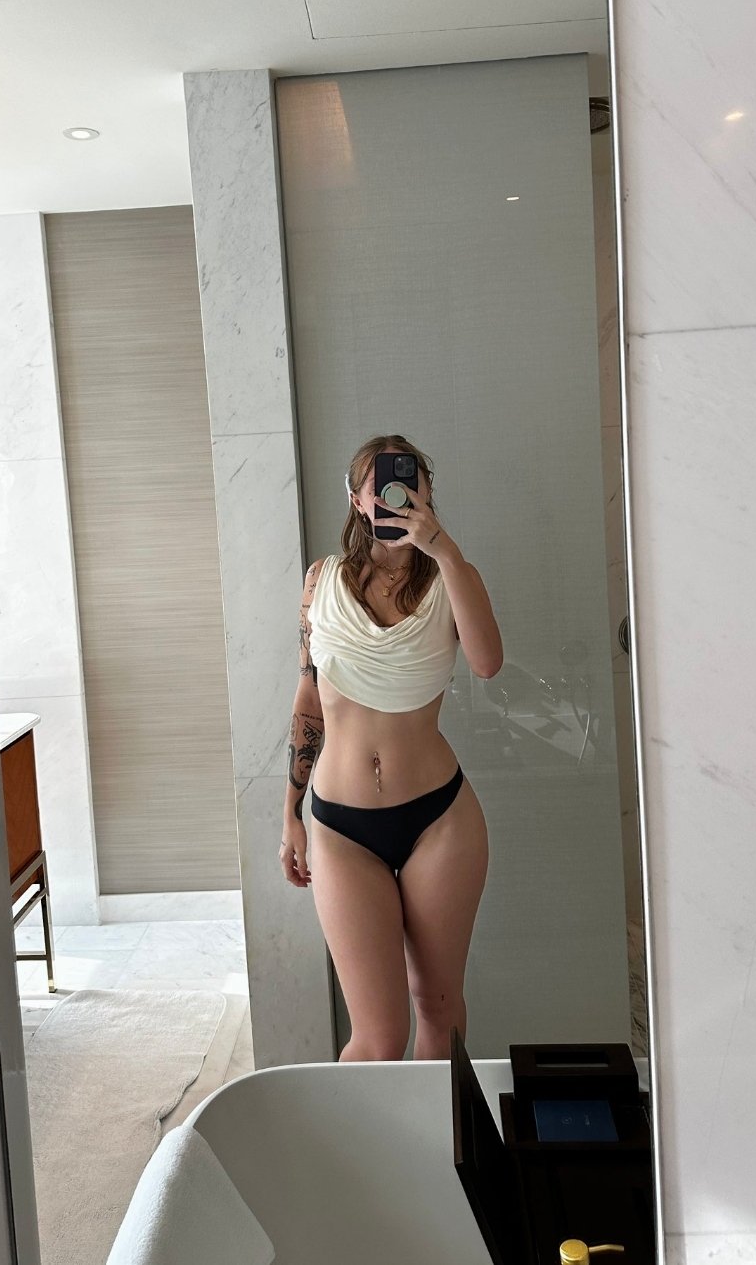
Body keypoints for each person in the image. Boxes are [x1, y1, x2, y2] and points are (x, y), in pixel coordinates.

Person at [279, 434, 503, 1061]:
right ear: (357, 500)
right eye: (379, 485)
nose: (395, 495)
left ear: (427, 492)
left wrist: (444, 550)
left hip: (439, 820)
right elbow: (308, 698)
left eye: (410, 483)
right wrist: (289, 814)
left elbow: (487, 663)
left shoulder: (454, 576)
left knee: (439, 1010)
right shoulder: (320, 580)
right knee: (377, 1038)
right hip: (340, 826)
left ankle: (435, 1130)